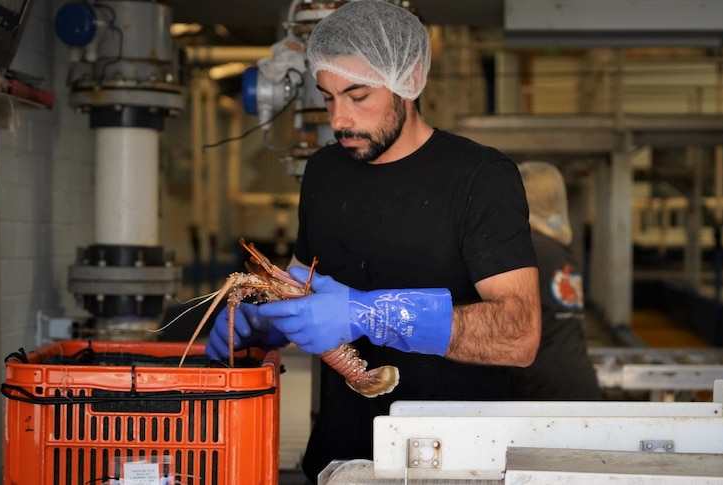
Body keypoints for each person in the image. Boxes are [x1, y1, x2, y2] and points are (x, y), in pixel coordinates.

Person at [205, 1, 541, 482]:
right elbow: (303, 286)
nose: (338, 119)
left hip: (452, 460)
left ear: (411, 78)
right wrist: (265, 322)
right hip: (340, 458)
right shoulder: (323, 172)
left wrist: (369, 313)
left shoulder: (480, 178)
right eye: (327, 97)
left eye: (358, 96)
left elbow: (518, 334)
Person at [511, 161, 602, 401]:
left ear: (526, 200)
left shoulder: (530, 250)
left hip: (545, 391)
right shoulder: (561, 249)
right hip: (572, 382)